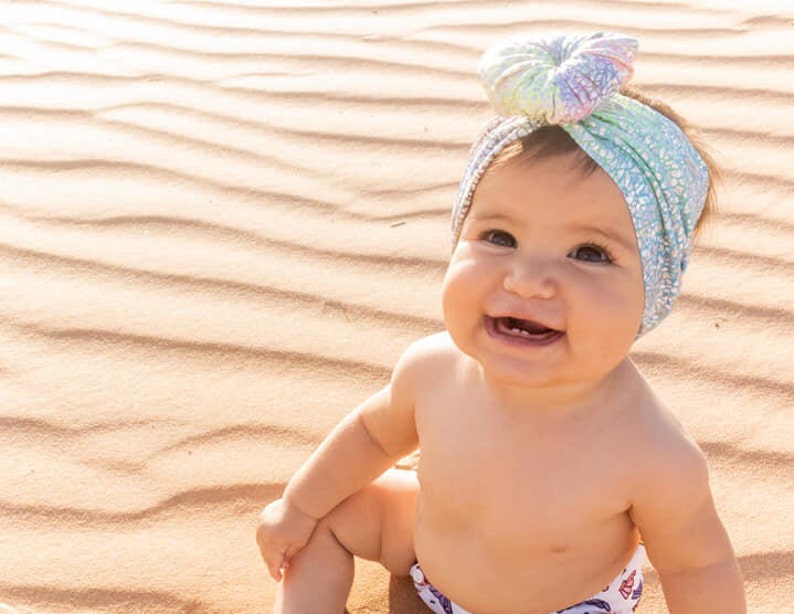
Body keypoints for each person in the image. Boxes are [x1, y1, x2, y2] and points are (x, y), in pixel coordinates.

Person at [256, 31, 746, 613]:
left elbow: (698, 565)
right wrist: (297, 506)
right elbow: (371, 434)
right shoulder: (433, 369)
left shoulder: (651, 452)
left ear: (654, 295)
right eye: (499, 237)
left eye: (589, 253)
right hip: (427, 558)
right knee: (322, 518)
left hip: (564, 607)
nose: (526, 279)